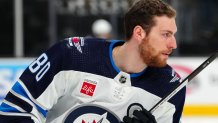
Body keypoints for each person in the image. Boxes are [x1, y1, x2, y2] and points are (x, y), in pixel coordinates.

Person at [0, 0, 186, 123]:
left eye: (173, 35)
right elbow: (14, 110)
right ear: (139, 33)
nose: (173, 44)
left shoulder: (170, 89)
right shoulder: (72, 55)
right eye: (165, 35)